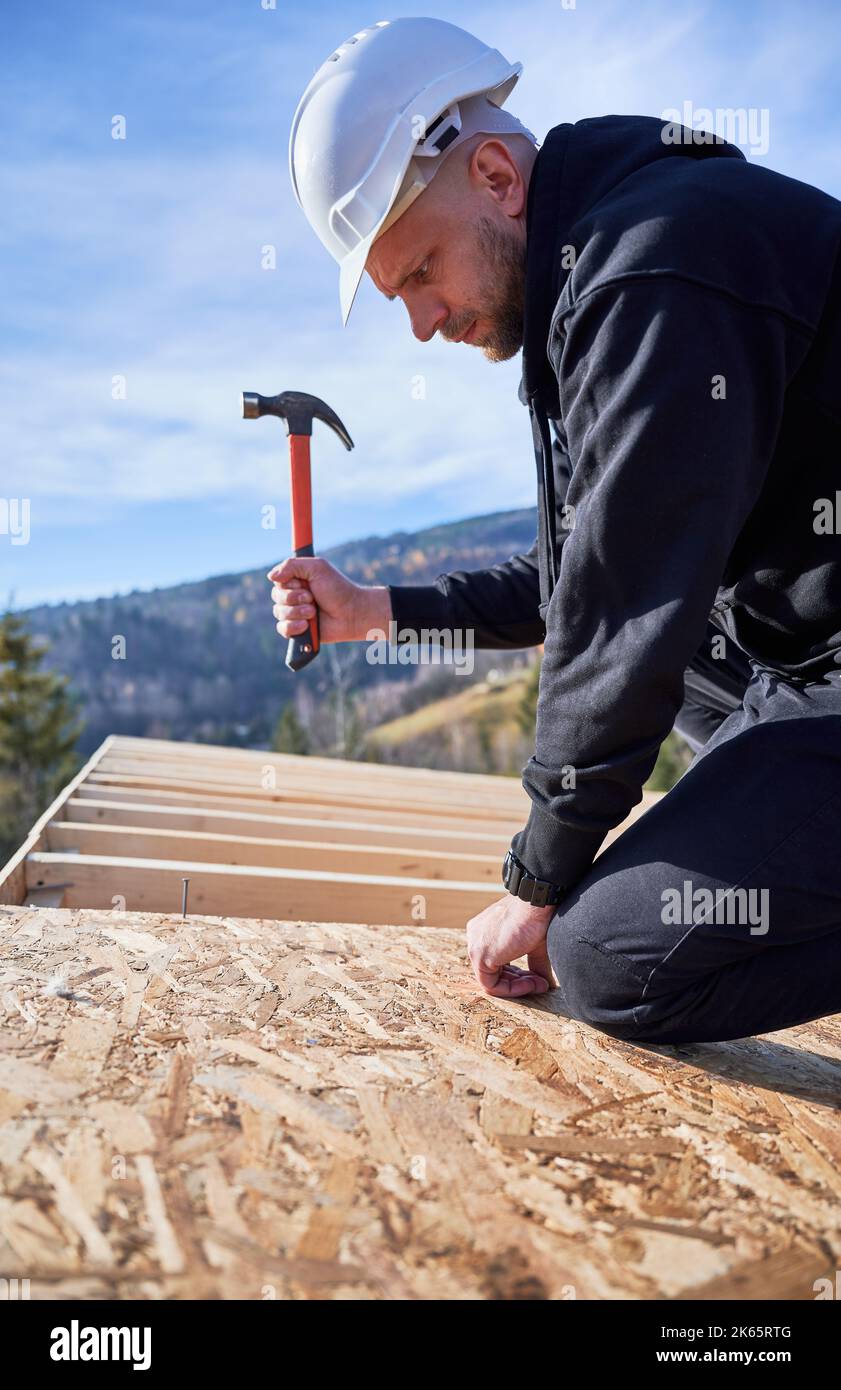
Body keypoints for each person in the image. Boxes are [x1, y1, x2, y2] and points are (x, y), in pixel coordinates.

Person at [271, 17, 841, 1044]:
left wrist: (538, 877)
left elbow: (623, 610)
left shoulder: (651, 271)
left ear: (493, 175)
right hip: (814, 644)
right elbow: (578, 578)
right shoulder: (594, 269)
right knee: (673, 657)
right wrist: (372, 612)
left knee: (608, 957)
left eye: (418, 273)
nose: (421, 321)